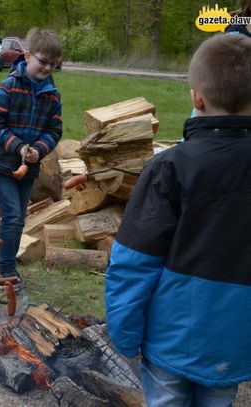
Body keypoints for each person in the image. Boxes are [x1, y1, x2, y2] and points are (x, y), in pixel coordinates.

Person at [105, 34, 251, 406]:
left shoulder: (170, 167)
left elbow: (133, 264)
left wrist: (124, 336)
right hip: (234, 342)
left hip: (170, 342)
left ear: (196, 98)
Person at [0, 28, 62, 287]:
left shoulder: (52, 94)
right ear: (27, 55)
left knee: (19, 218)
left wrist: (38, 148)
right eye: (42, 61)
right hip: (1, 162)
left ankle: (6, 263)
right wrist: (19, 148)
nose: (47, 68)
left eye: (52, 64)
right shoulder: (7, 87)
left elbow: (55, 130)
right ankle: (6, 271)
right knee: (12, 216)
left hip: (29, 167)